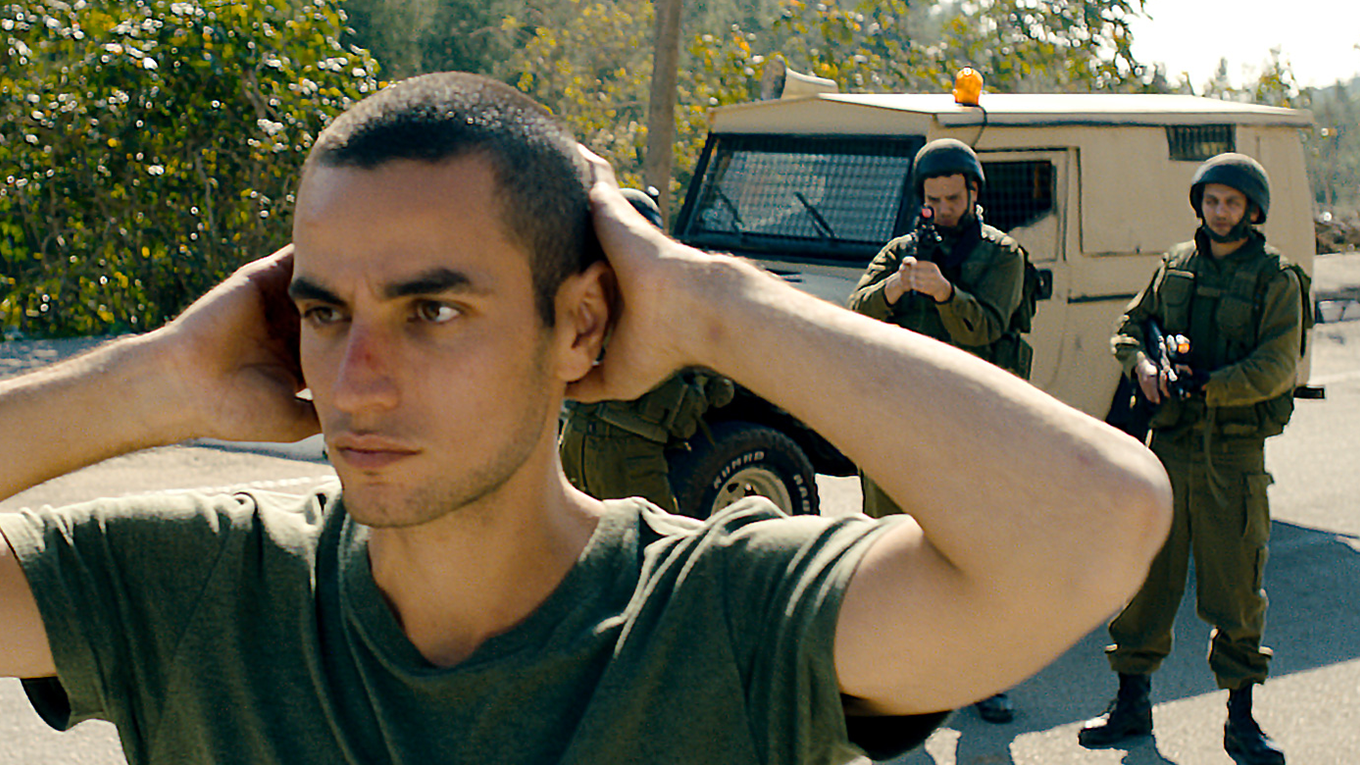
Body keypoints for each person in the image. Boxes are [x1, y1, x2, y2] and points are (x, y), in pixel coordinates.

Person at [0, 72, 1171, 765]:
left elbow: (1096, 520)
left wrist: (710, 304)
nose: (354, 382)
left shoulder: (717, 618)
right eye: (322, 311)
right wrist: (151, 380)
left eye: (432, 311)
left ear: (578, 326)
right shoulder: (200, 586)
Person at [1079, 153, 1306, 765]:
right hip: (1170, 449)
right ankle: (1131, 703)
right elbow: (1130, 326)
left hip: (1231, 455)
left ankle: (1241, 720)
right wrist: (1143, 366)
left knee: (1236, 589)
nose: (1220, 212)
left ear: (1252, 210)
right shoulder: (1175, 263)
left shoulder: (1276, 279)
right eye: (1212, 201)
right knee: (1147, 580)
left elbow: (1276, 366)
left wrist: (1208, 384)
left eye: (1232, 203)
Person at [845, 137, 1029, 724]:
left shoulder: (1002, 256)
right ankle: (896, 679)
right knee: (889, 554)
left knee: (972, 558)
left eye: (953, 198)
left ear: (973, 194)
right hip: (897, 422)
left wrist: (946, 293)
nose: (944, 209)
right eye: (934, 200)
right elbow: (855, 315)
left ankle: (984, 676)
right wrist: (897, 287)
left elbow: (989, 327)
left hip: (968, 426)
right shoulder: (901, 251)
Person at [559, 188, 735, 515]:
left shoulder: (586, 286)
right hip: (628, 449)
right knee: (653, 541)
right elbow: (719, 387)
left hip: (575, 436)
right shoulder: (659, 294)